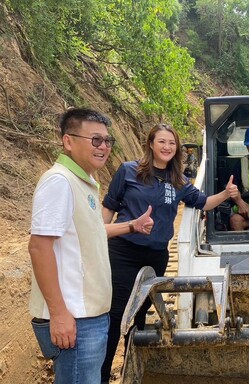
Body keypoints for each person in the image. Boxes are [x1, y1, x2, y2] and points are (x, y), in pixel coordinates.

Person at [101, 123, 237, 383]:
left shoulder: (179, 181)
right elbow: (109, 206)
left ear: (177, 149)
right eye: (161, 141)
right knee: (116, 313)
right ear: (150, 144)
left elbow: (204, 202)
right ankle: (102, 374)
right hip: (123, 252)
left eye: (171, 143)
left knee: (139, 318)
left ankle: (131, 371)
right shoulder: (128, 171)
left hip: (156, 256)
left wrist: (226, 194)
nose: (167, 147)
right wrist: (99, 234)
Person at [28, 108, 154, 384]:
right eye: (95, 140)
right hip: (75, 319)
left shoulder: (84, 181)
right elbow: (39, 247)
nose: (104, 147)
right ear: (68, 141)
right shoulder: (59, 182)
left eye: (108, 141)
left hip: (90, 317)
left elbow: (93, 232)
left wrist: (132, 225)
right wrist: (60, 313)